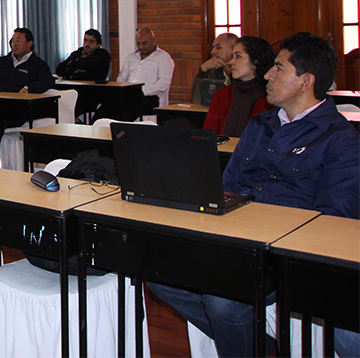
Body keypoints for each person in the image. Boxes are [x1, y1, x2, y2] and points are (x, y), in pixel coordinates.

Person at [148, 32, 360, 358]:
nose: (267, 75)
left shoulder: (339, 139)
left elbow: (332, 220)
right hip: (240, 238)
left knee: (223, 301)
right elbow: (229, 185)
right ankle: (255, 341)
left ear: (306, 81)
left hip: (287, 253)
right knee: (159, 272)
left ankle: (246, 338)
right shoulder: (261, 124)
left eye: (278, 68)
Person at [0, 28, 55, 151]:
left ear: (29, 44)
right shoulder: (2, 62)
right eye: (13, 41)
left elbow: (48, 81)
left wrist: (29, 88)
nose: (14, 44)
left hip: (17, 109)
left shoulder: (37, 64)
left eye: (19, 40)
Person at [92, 27, 174, 122]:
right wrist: (121, 90)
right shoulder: (131, 57)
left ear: (153, 40)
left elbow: (164, 83)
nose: (141, 47)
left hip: (148, 97)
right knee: (104, 110)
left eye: (144, 43)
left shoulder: (163, 57)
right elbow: (122, 77)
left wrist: (141, 91)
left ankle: (118, 132)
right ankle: (96, 130)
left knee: (124, 112)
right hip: (127, 95)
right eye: (138, 44)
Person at [202, 36, 274, 137]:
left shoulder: (270, 98)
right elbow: (208, 137)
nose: (232, 62)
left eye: (238, 56)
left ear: (256, 61)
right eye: (232, 56)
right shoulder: (223, 95)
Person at [192, 32, 239, 106]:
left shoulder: (242, 72)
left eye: (218, 47)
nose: (212, 52)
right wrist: (203, 70)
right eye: (213, 48)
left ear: (233, 49)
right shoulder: (213, 70)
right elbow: (197, 99)